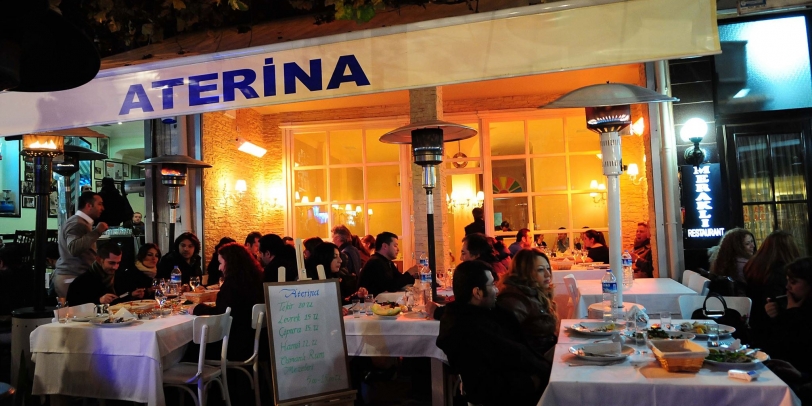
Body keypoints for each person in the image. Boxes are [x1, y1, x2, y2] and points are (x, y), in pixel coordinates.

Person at [436, 260, 550, 406]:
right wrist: (532, 382)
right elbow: (485, 387)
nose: (497, 290)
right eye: (492, 285)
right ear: (477, 293)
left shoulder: (486, 313)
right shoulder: (466, 332)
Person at [193, 242, 264, 362]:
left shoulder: (232, 284)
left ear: (231, 263)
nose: (219, 268)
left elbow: (222, 314)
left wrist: (197, 308)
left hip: (235, 346)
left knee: (190, 347)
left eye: (221, 263)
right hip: (255, 342)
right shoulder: (256, 279)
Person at [496, 248, 558, 357]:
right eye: (540, 270)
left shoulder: (535, 292)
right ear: (524, 272)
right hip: (537, 360)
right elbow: (507, 343)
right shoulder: (514, 299)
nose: (548, 274)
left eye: (548, 268)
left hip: (545, 353)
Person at [745, 231, 801, 347]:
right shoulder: (782, 272)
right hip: (775, 332)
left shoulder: (753, 266)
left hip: (755, 325)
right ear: (790, 248)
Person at [53, 192, 109, 298]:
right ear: (89, 205)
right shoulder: (77, 223)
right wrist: (97, 231)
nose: (103, 208)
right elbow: (74, 248)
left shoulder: (81, 222)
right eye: (100, 204)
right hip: (72, 277)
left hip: (75, 276)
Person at [763, 257, 812, 374]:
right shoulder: (789, 306)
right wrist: (775, 317)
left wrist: (792, 314)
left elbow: (788, 349)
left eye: (793, 282)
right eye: (788, 281)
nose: (787, 287)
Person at [67, 243, 145, 305]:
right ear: (99, 260)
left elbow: (118, 299)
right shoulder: (82, 282)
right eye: (111, 263)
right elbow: (73, 306)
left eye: (118, 263)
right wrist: (99, 301)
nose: (116, 267)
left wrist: (132, 295)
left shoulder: (120, 276)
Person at [357, 232, 419, 296]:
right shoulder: (375, 262)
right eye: (395, 246)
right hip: (370, 301)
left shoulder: (387, 261)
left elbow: (399, 279)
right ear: (385, 246)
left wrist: (414, 276)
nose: (398, 249)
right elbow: (392, 286)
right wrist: (409, 272)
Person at [709, 227, 755, 296]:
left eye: (752, 241)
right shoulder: (747, 265)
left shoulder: (719, 261)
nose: (753, 246)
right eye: (747, 244)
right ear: (737, 247)